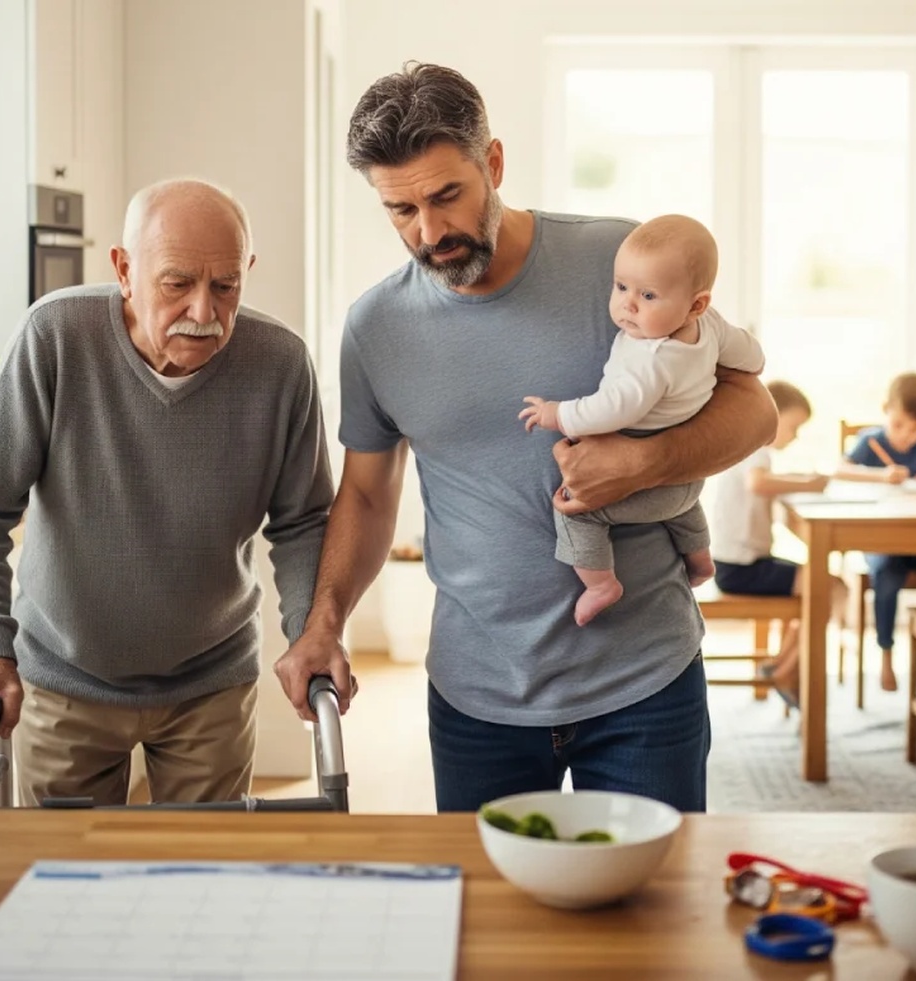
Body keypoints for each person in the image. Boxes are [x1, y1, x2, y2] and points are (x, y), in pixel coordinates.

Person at [272, 62, 777, 814]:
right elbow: (368, 496)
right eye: (400, 209)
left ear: (495, 163)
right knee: (491, 895)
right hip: (477, 696)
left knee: (652, 893)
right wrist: (324, 624)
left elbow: (756, 410)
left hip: (642, 680)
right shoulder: (375, 327)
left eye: (447, 195)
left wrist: (644, 462)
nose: (429, 232)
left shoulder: (620, 264)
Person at [0, 178, 335, 807]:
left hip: (212, 681)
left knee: (205, 865)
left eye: (226, 285)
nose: (204, 311)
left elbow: (304, 523)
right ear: (124, 271)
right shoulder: (54, 337)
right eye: (177, 284)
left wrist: (310, 630)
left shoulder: (281, 365)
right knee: (66, 866)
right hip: (64, 677)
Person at [519, 215, 765, 626]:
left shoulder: (650, 359)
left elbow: (612, 408)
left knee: (577, 512)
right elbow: (752, 357)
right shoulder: (711, 325)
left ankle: (601, 584)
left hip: (648, 480)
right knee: (682, 506)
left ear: (696, 303)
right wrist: (751, 360)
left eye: (648, 295)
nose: (627, 305)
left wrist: (558, 413)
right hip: (686, 482)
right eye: (621, 287)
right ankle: (700, 558)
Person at [709, 380, 847, 707]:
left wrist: (800, 480)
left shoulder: (744, 447)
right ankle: (785, 669)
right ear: (770, 416)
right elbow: (757, 483)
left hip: (736, 564)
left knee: (821, 583)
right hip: (742, 570)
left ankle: (780, 665)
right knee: (832, 587)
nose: (795, 436)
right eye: (793, 427)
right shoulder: (757, 449)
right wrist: (809, 485)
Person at [835, 371, 916, 692]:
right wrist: (880, 476)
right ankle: (886, 656)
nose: (907, 436)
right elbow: (839, 470)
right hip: (882, 542)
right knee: (887, 576)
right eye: (898, 425)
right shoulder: (870, 441)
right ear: (886, 411)